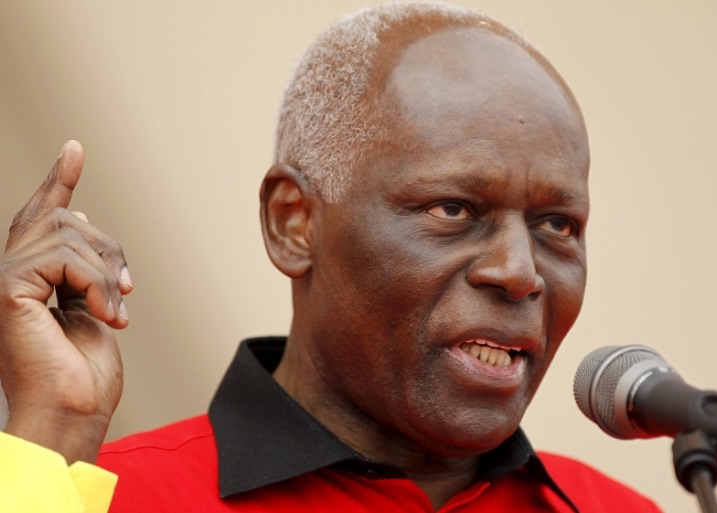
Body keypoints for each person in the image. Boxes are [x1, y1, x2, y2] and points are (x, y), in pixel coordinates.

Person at [0, 3, 662, 512]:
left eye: (556, 224)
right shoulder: (116, 495)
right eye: (454, 209)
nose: (520, 270)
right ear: (295, 223)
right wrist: (53, 426)